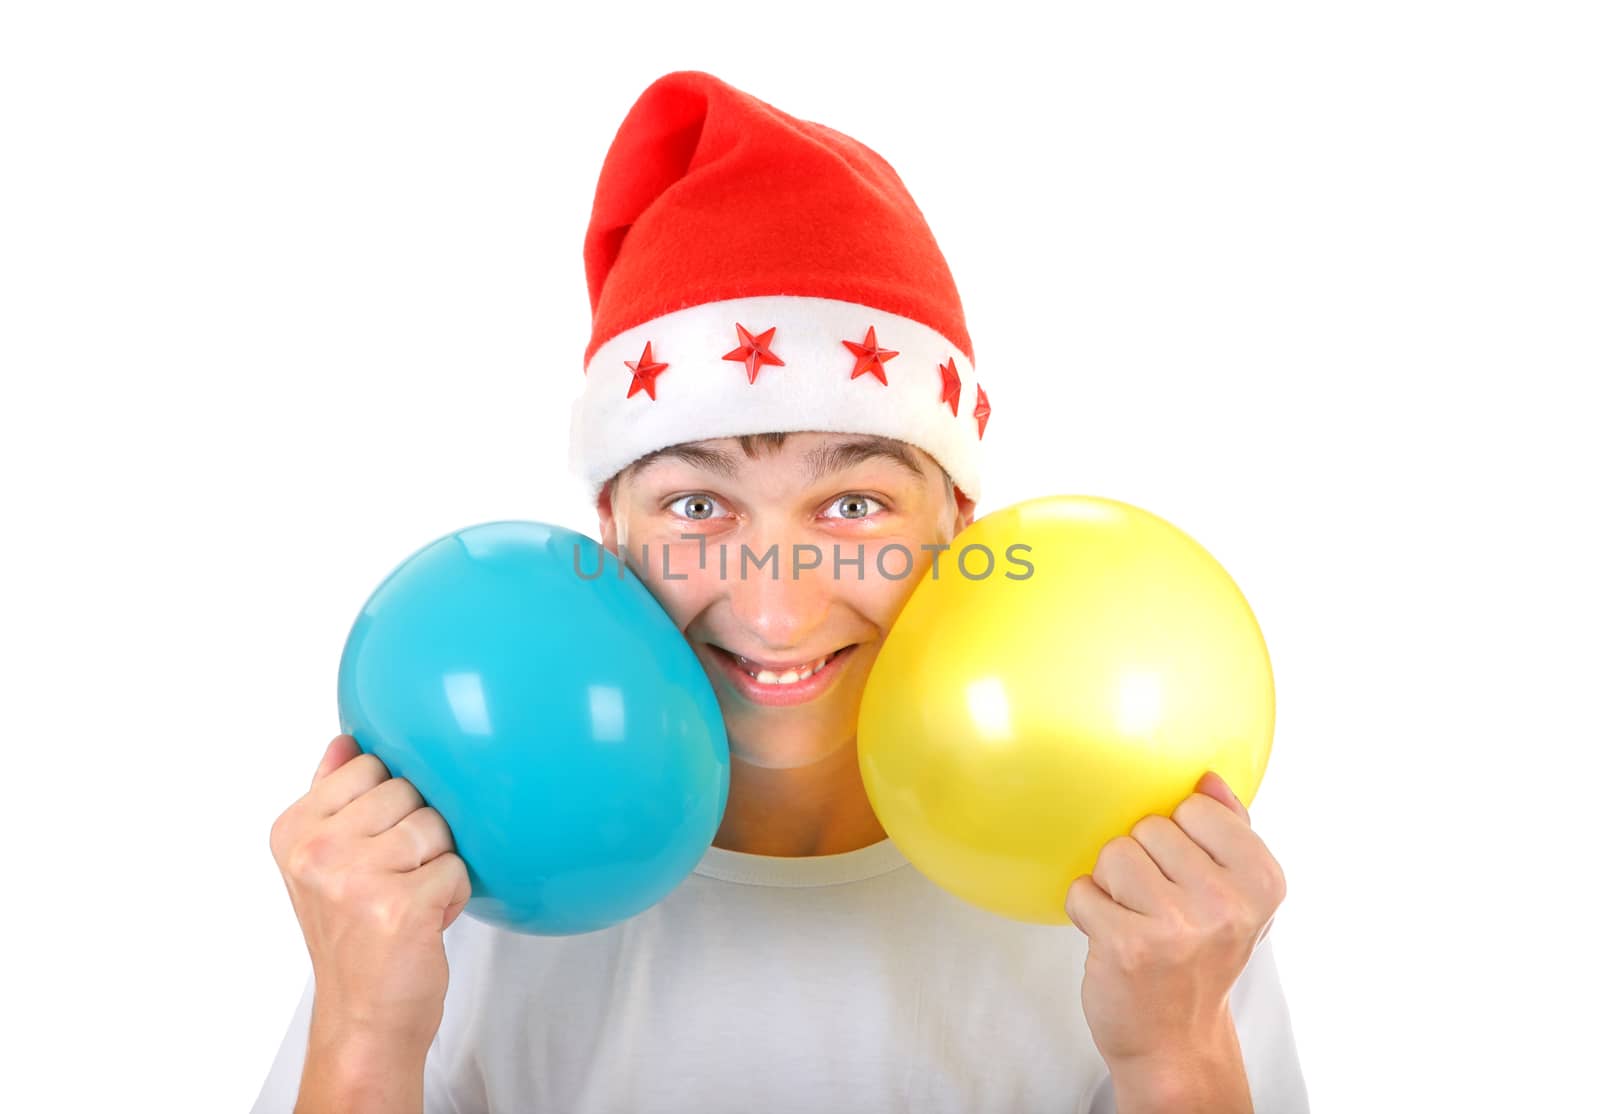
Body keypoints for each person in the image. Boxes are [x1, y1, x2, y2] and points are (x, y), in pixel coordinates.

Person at [251, 70, 1309, 1113]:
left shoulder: (1136, 886)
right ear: (608, 530)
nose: (774, 608)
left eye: (852, 507)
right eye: (697, 508)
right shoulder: (461, 880)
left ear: (958, 527)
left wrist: (1176, 1057)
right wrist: (360, 1034)